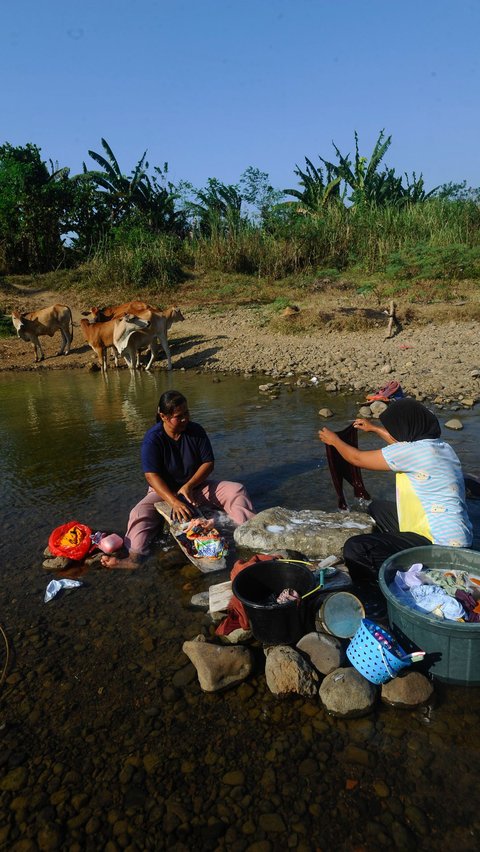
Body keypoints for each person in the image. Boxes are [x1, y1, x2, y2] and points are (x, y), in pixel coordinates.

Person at [318, 398, 473, 583]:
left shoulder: (414, 453)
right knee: (378, 508)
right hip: (456, 536)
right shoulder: (440, 447)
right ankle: (397, 550)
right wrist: (374, 429)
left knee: (356, 548)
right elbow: (402, 444)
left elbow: (357, 458)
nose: (393, 432)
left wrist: (334, 441)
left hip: (440, 548)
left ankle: (380, 593)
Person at [102, 390, 256, 569]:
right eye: (179, 416)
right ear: (163, 416)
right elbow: (151, 476)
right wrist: (173, 501)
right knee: (138, 513)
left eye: (187, 413)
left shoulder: (195, 431)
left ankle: (247, 533)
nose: (185, 419)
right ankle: (135, 557)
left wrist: (189, 486)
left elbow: (208, 463)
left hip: (195, 487)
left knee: (236, 490)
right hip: (164, 492)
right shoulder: (153, 439)